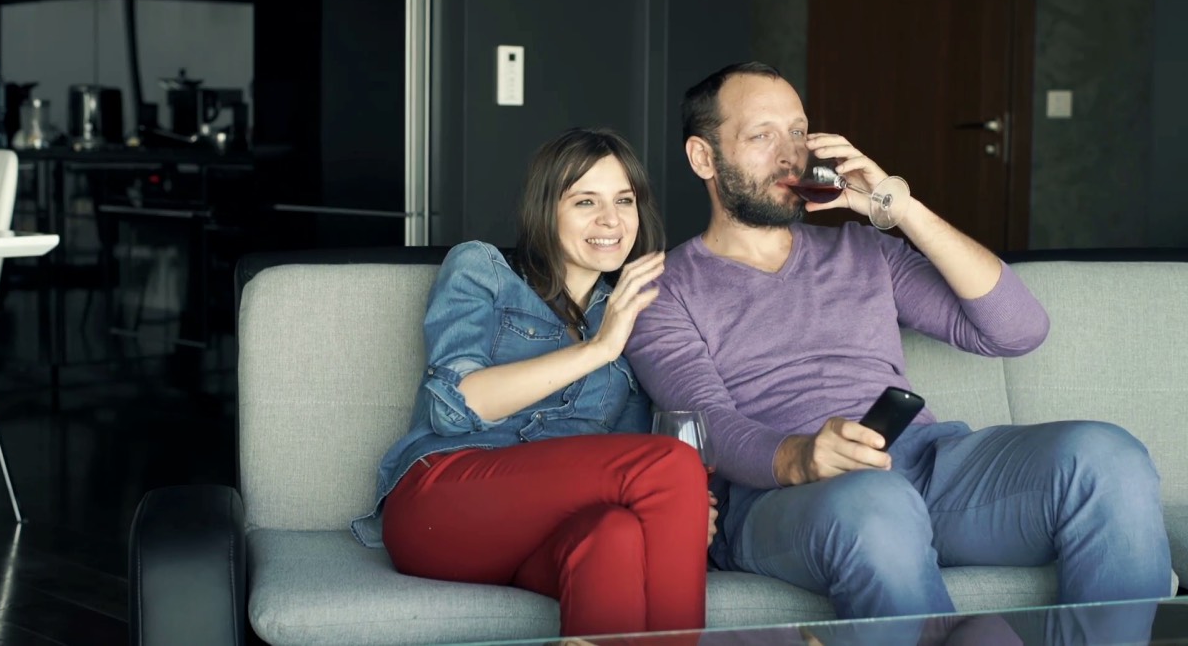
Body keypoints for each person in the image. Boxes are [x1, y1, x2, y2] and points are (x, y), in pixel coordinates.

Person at [624, 61, 1172, 620]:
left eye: (797, 131)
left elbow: (1018, 330)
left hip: (924, 469)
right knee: (878, 504)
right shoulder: (661, 290)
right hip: (784, 501)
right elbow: (708, 426)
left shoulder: (864, 252)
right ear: (704, 157)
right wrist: (802, 456)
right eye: (761, 136)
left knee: (1109, 456)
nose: (790, 154)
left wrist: (897, 207)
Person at [350, 127, 716, 638]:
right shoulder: (483, 270)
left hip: (542, 535)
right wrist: (598, 349)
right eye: (586, 201)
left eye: (624, 200)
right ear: (547, 209)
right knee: (672, 465)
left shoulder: (631, 313)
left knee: (615, 535)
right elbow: (453, 406)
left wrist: (684, 508)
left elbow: (627, 457)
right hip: (444, 504)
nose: (610, 220)